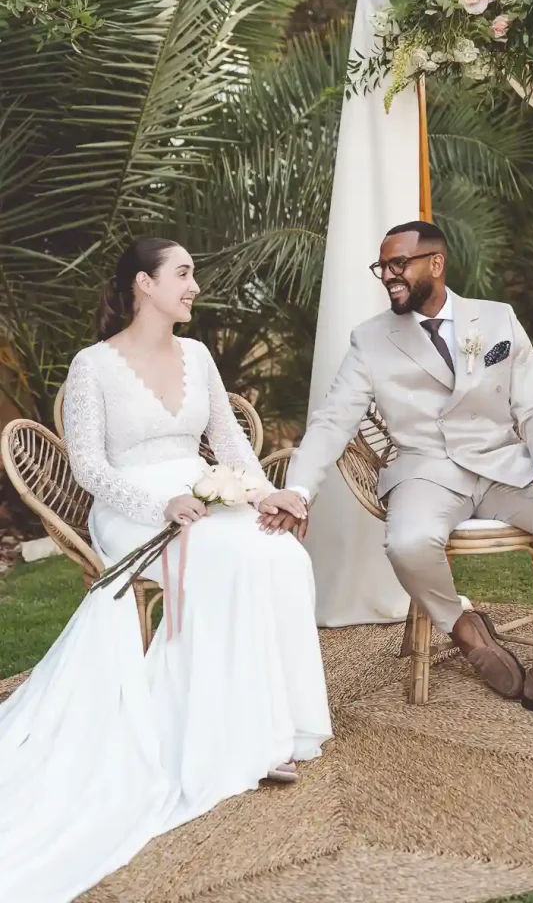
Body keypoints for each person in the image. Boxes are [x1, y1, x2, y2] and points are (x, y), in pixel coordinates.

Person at [0, 237, 331, 903]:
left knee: (280, 554)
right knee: (228, 558)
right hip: (132, 506)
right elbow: (90, 467)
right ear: (143, 285)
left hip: (205, 489)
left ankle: (281, 724)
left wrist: (266, 494)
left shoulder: (199, 355)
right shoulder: (93, 366)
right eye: (183, 273)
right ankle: (236, 741)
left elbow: (231, 442)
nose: (194, 286)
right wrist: (160, 503)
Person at [261, 220, 533, 732]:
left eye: (399, 265)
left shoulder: (498, 319)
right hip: (426, 472)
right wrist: (298, 489)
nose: (388, 277)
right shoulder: (370, 340)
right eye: (382, 267)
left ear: (435, 264)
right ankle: (466, 631)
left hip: (503, 463)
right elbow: (333, 420)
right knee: (408, 543)